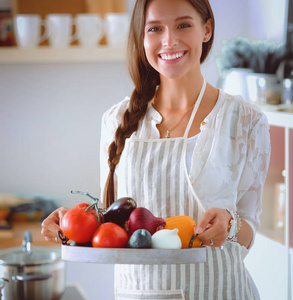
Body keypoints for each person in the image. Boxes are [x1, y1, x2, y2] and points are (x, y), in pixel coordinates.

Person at [41, 0, 271, 299]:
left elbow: (249, 228)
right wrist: (69, 223)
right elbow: (112, 217)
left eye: (183, 25)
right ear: (142, 37)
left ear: (207, 29)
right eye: (155, 28)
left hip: (219, 290)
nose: (169, 40)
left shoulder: (245, 121)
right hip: (136, 292)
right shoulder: (115, 121)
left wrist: (230, 224)